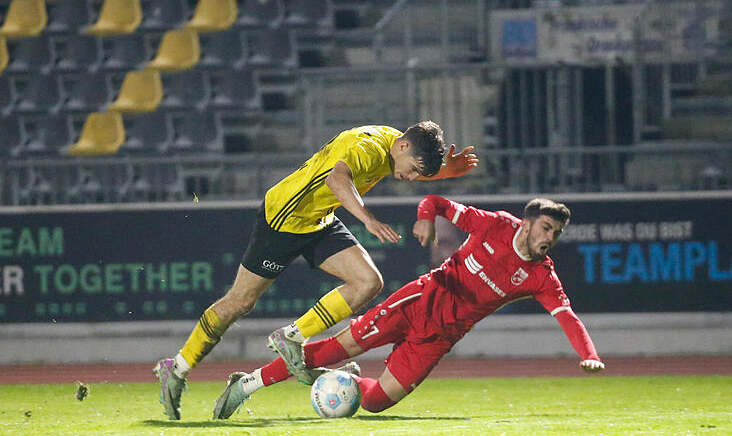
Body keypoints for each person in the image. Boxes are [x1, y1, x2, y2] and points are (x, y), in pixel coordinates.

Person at [154, 122, 478, 420]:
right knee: (240, 302)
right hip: (285, 219)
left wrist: (445, 172)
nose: (412, 178)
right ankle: (177, 367)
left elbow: (403, 166)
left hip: (318, 220)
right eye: (414, 170)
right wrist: (367, 220)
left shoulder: (396, 147)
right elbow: (336, 179)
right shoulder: (367, 148)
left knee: (368, 282)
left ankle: (291, 336)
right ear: (404, 147)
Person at [211, 194, 605, 419]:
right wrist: (426, 219)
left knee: (375, 403)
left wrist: (588, 354)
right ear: (527, 224)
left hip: (440, 337)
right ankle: (246, 385)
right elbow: (434, 201)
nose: (550, 237)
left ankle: (346, 381)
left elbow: (567, 317)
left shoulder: (541, 276)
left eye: (556, 233)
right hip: (417, 302)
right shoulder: (495, 225)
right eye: (546, 228)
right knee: (333, 348)